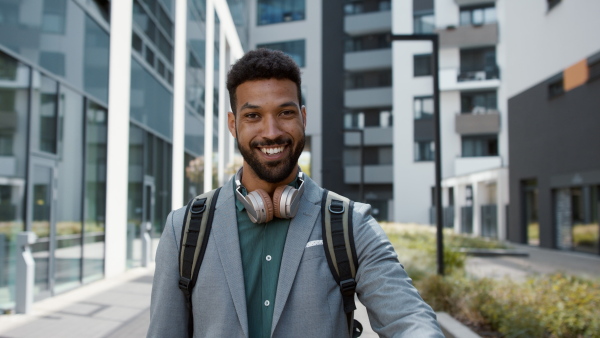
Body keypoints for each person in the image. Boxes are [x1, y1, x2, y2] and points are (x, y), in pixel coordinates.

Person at [148, 49, 443, 337]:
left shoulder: (350, 224)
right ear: (232, 124)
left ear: (303, 117)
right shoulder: (184, 229)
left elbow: (407, 317)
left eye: (285, 113)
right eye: (253, 116)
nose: (271, 131)